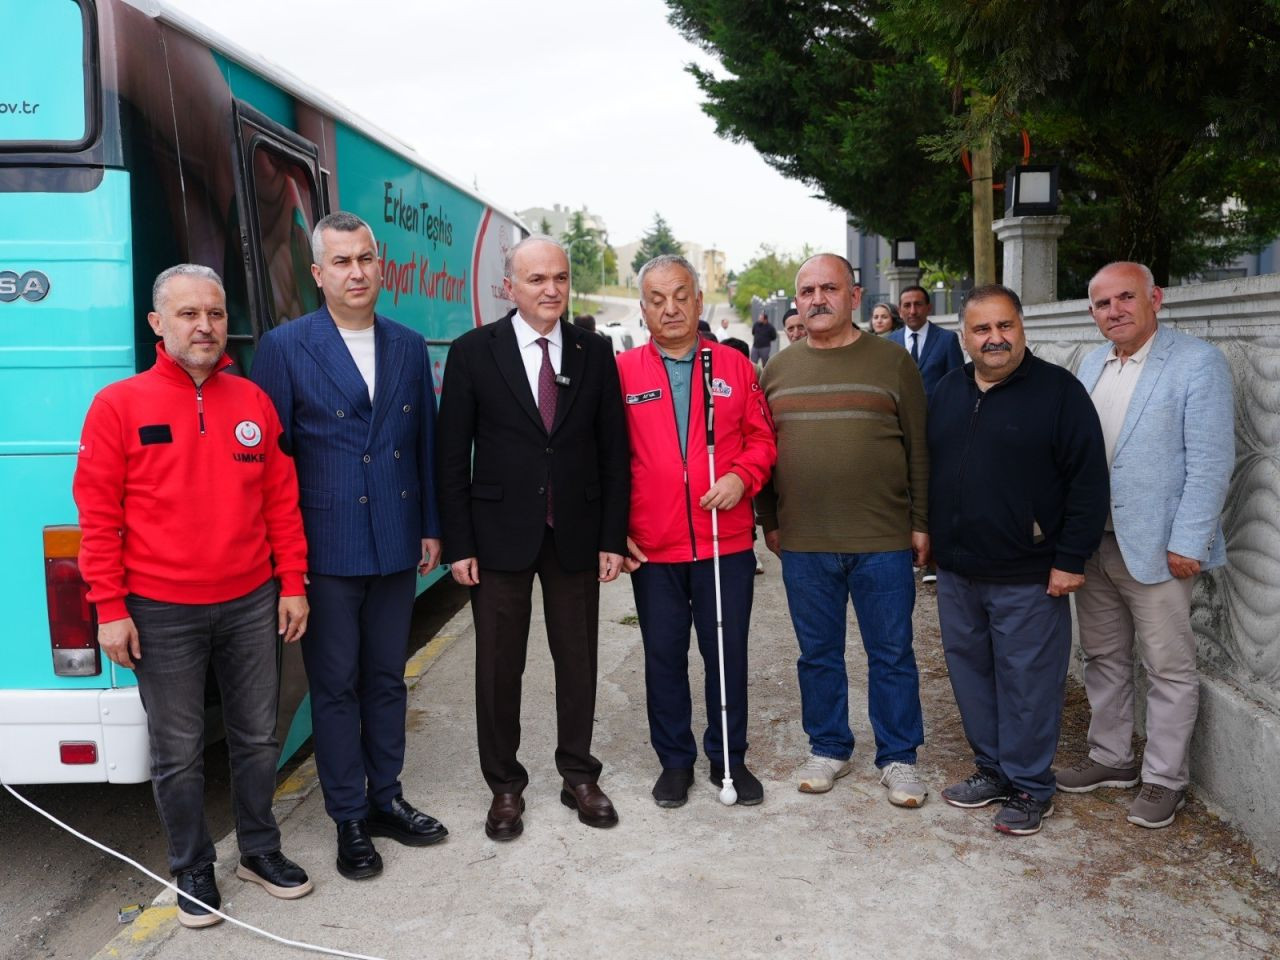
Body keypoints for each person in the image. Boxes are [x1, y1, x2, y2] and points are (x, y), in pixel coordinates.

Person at [74, 265, 312, 928]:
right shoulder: (119, 406)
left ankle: (259, 852)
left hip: (250, 602)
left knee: (259, 736)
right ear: (158, 323)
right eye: (187, 314)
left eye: (213, 312)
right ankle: (193, 869)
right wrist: (110, 606)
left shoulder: (252, 403)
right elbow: (98, 515)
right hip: (159, 610)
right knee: (176, 750)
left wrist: (291, 583)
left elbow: (279, 503)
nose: (204, 326)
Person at [252, 211, 448, 882]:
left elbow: (424, 440)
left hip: (395, 543)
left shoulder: (407, 343)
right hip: (326, 549)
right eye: (341, 262)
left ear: (380, 264)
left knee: (386, 679)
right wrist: (288, 570)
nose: (356, 272)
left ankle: (387, 797)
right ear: (318, 274)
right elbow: (272, 463)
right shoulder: (285, 347)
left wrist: (429, 525)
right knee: (334, 688)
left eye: (365, 258)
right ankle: (349, 818)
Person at [436, 236, 630, 841]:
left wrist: (612, 537)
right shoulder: (473, 353)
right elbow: (450, 457)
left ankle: (578, 773)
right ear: (509, 287)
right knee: (499, 668)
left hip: (575, 532)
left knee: (577, 661)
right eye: (538, 279)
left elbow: (613, 453)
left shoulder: (595, 352)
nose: (552, 290)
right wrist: (460, 543)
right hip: (497, 538)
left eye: (561, 278)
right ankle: (504, 786)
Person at [1056, 261, 1234, 829]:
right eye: (1103, 304)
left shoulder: (1197, 363)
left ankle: (1164, 778)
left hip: (1159, 548)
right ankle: (1112, 758)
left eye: (1126, 298)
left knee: (1168, 668)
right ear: (1092, 313)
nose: (1115, 311)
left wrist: (1190, 541)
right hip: (1094, 541)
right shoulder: (1091, 362)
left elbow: (1210, 461)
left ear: (1154, 297)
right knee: (1103, 657)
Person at [928, 284, 1109, 836]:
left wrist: (1070, 557)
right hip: (958, 571)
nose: (995, 339)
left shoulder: (1059, 392)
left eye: (1004, 326)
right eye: (982, 329)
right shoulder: (945, 390)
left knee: (1029, 682)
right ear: (965, 337)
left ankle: (1031, 786)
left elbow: (1088, 481)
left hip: (1030, 572)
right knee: (972, 675)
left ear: (1022, 329)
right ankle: (993, 770)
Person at [756, 253, 931, 808]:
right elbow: (761, 450)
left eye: (828, 289)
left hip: (882, 538)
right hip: (805, 541)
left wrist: (922, 521)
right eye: (806, 291)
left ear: (854, 296)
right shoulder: (778, 370)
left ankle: (899, 757)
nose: (816, 300)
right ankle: (828, 746)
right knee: (818, 653)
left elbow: (919, 448)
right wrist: (771, 520)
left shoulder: (892, 362)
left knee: (892, 652)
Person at [617, 255, 777, 808]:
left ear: (698, 299)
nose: (670, 308)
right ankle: (675, 763)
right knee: (663, 657)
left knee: (726, 654)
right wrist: (617, 529)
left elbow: (762, 442)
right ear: (643, 310)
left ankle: (728, 758)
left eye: (680, 295)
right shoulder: (624, 372)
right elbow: (607, 459)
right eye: (657, 299)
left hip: (723, 545)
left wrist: (740, 476)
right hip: (654, 549)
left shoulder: (734, 366)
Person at [890, 285, 961, 584]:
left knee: (933, 487)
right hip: (898, 430)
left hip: (936, 429)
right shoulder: (889, 342)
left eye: (918, 304)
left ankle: (932, 556)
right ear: (899, 309)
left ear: (928, 307)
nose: (912, 311)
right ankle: (903, 550)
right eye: (906, 305)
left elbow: (958, 383)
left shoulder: (946, 340)